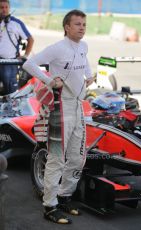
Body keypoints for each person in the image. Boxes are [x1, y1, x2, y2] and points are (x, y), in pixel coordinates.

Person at [23, 9, 94, 224]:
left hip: (77, 106)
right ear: (67, 27)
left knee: (77, 157)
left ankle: (64, 197)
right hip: (59, 107)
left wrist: (89, 76)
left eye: (84, 24)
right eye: (77, 24)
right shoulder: (57, 47)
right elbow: (29, 63)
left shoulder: (84, 46)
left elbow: (84, 61)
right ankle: (50, 206)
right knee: (56, 158)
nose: (82, 27)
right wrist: (48, 80)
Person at [0, 0, 34, 95]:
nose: (4, 10)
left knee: (11, 93)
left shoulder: (16, 23)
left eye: (6, 7)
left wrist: (25, 55)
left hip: (9, 63)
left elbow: (30, 40)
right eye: (1, 7)